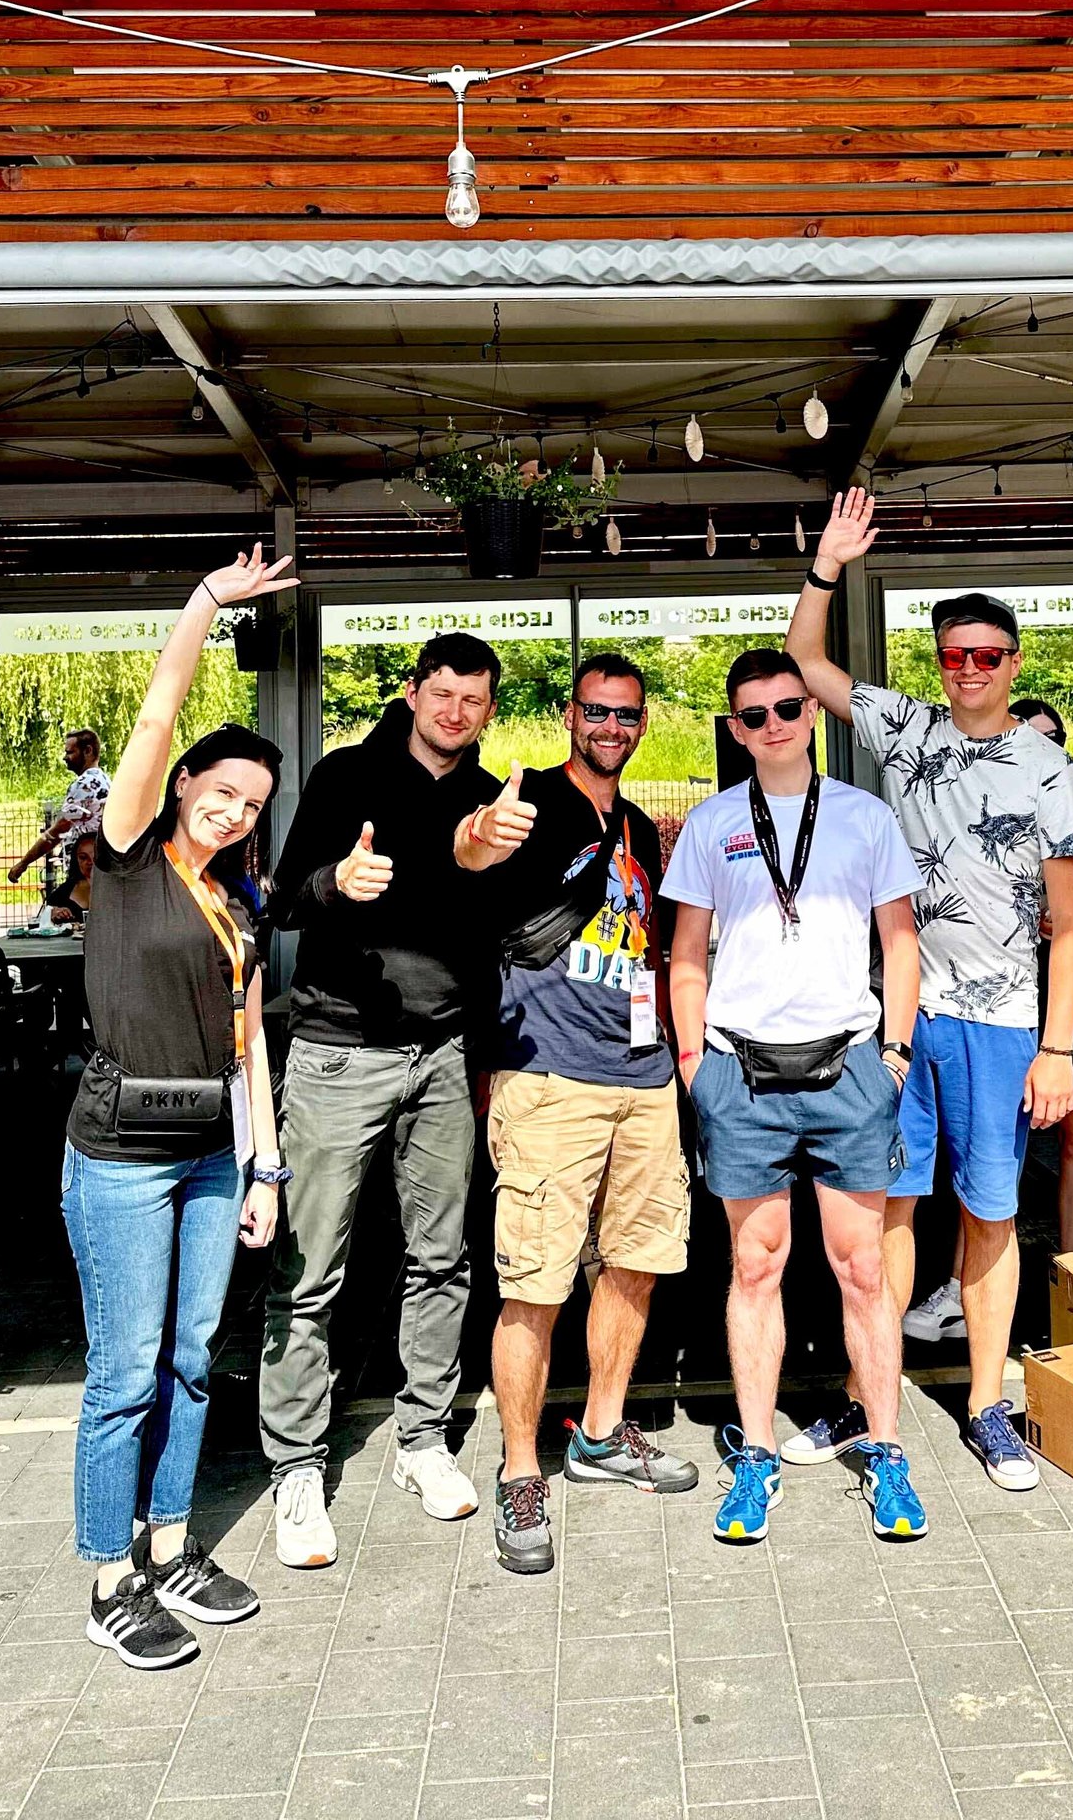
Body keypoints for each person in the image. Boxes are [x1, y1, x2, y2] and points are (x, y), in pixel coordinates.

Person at [787, 488, 1073, 1493]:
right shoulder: (906, 728)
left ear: (1012, 663)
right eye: (953, 653)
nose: (967, 668)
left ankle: (985, 1403)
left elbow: (1067, 922)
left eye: (986, 655)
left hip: (1005, 1022)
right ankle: (869, 1396)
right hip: (900, 1015)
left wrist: (1056, 1047)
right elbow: (804, 662)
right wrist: (826, 566)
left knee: (991, 1214)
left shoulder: (1049, 771)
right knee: (884, 1209)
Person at [63, 546, 296, 1670]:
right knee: (124, 1367)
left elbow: (252, 1046)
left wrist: (266, 1167)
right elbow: (154, 722)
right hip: (118, 1156)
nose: (233, 807)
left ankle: (171, 1541)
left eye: (252, 802)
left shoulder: (238, 905)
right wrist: (202, 608)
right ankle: (111, 1572)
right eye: (221, 786)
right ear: (183, 783)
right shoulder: (126, 858)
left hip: (211, 1154)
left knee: (195, 1353)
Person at [665, 649, 928, 1543]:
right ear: (734, 729)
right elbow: (686, 955)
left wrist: (894, 1054)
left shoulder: (865, 818)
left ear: (812, 714)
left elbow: (900, 942)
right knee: (755, 1266)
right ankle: (757, 1460)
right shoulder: (709, 823)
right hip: (741, 1069)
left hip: (850, 1066)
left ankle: (886, 1453)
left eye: (788, 707)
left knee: (862, 1269)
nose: (774, 724)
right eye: (754, 715)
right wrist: (696, 1063)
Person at [260, 633, 504, 1568]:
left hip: (443, 1056)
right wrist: (337, 882)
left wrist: (486, 862)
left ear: (487, 709)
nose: (454, 712)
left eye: (472, 700)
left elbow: (496, 932)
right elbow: (282, 901)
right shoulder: (345, 774)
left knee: (441, 1259)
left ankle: (422, 1439)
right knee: (310, 1265)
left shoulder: (491, 801)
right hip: (337, 1057)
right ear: (412, 692)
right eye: (441, 693)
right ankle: (295, 1467)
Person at [455, 652, 697, 1574]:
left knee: (635, 1266)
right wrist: (480, 834)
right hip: (548, 1078)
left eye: (626, 714)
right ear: (569, 716)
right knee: (535, 1281)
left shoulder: (634, 822)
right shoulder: (533, 805)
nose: (612, 727)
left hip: (640, 1082)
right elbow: (472, 856)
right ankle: (523, 1468)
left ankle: (599, 1433)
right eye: (596, 712)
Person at [907, 696, 1073, 1348]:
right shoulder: (971, 804)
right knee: (986, 1150)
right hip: (992, 996)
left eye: (1052, 739)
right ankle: (961, 1284)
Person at [8, 727, 109, 887]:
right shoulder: (104, 781)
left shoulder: (83, 786)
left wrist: (23, 863)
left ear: (88, 751)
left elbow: (59, 829)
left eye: (70, 752)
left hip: (84, 873)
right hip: (98, 870)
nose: (65, 758)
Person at [47, 832, 97, 924]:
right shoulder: (61, 894)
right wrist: (53, 915)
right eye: (83, 857)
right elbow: (46, 921)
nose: (90, 862)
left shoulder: (120, 889)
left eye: (95, 857)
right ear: (76, 860)